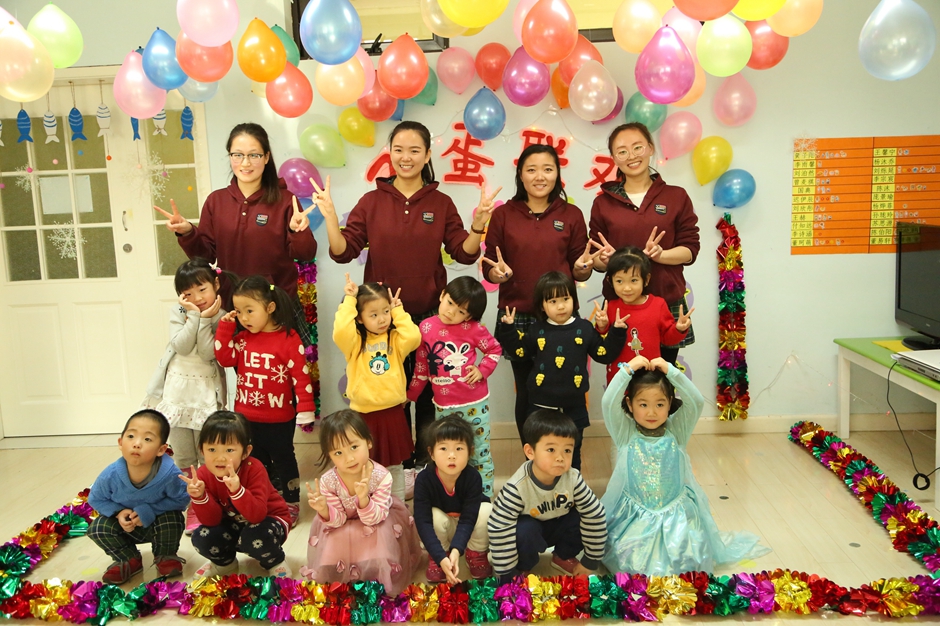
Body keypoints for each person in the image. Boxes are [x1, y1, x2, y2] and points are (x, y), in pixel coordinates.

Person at [310, 121, 500, 462]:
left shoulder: (441, 203)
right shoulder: (372, 201)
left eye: (414, 150)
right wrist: (330, 215)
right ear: (390, 153)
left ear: (427, 155)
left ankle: (428, 465)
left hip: (432, 319)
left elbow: (463, 252)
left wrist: (478, 224)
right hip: (381, 323)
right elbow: (343, 251)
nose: (406, 157)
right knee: (391, 395)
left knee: (428, 393)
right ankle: (396, 467)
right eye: (398, 150)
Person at [601, 356, 770, 575]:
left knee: (689, 563)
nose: (652, 412)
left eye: (660, 404)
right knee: (631, 565)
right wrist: (627, 370)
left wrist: (671, 371)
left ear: (670, 403)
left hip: (677, 517)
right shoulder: (625, 434)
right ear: (630, 405)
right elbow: (608, 403)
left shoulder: (677, 431)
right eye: (643, 404)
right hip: (636, 518)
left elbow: (696, 401)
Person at [154, 122, 318, 344]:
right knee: (239, 365)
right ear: (230, 156)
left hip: (275, 305)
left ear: (266, 157)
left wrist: (298, 231)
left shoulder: (286, 200)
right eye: (238, 155)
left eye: (254, 155)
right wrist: (188, 232)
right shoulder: (216, 201)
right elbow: (205, 256)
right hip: (234, 306)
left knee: (284, 366)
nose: (245, 163)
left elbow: (306, 254)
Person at [482, 144, 600, 442]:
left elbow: (580, 268)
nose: (540, 176)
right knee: (527, 390)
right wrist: (497, 274)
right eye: (531, 169)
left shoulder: (571, 214)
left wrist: (584, 268)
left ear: (557, 174)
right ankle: (531, 454)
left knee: (567, 387)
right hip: (517, 315)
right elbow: (490, 266)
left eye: (548, 169)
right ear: (520, 175)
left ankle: (565, 455)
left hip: (561, 318)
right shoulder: (503, 214)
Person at [590, 122, 700, 365]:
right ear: (613, 158)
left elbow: (691, 249)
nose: (631, 156)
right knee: (622, 378)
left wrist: (661, 255)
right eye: (622, 151)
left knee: (662, 379)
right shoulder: (603, 203)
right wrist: (604, 260)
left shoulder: (676, 196)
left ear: (650, 148)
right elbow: (595, 258)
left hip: (666, 299)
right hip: (621, 305)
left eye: (637, 147)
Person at [498, 271, 627, 470]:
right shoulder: (537, 329)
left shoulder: (584, 328)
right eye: (553, 301)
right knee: (542, 453)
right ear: (542, 305)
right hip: (540, 406)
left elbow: (603, 354)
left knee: (572, 452)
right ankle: (542, 486)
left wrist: (616, 330)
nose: (560, 306)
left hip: (574, 405)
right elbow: (520, 352)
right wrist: (508, 329)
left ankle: (573, 487)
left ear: (574, 300)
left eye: (565, 299)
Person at [215, 275, 316, 527]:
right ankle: (261, 501)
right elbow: (225, 358)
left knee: (284, 460)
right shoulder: (243, 338)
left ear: (270, 307)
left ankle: (291, 502)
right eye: (239, 311)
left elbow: (301, 378)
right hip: (246, 418)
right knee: (254, 463)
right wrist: (226, 327)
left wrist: (305, 410)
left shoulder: (289, 339)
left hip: (279, 419)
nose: (244, 317)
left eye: (250, 310)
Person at [141, 257, 229, 535]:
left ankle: (210, 503)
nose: (197, 298)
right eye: (188, 293)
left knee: (207, 454)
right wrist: (193, 315)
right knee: (183, 456)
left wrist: (204, 320)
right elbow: (180, 345)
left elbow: (207, 352)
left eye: (202, 289)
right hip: (177, 395)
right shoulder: (179, 311)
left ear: (216, 284)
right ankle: (193, 505)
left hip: (206, 396)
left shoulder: (222, 315)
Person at [304, 410, 422, 595]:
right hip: (341, 521)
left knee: (379, 534)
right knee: (335, 536)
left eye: (354, 447)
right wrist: (324, 509)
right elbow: (338, 521)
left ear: (368, 442)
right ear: (329, 455)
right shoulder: (328, 481)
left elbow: (374, 519)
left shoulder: (381, 476)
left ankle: (375, 576)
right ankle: (342, 578)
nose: (349, 458)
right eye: (338, 452)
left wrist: (364, 498)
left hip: (375, 518)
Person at [407, 276, 501, 497]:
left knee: (478, 451)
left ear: (469, 316)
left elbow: (494, 350)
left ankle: (484, 498)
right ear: (442, 295)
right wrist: (411, 394)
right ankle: (452, 497)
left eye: (461, 311)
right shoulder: (426, 327)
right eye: (449, 303)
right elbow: (422, 366)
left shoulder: (474, 328)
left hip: (474, 404)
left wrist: (482, 370)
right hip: (443, 406)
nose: (451, 312)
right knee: (447, 455)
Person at [487, 409, 607, 580]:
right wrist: (507, 574)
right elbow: (499, 528)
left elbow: (595, 514)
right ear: (530, 452)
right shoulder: (516, 488)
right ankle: (522, 567)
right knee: (524, 530)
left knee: (582, 515)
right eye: (551, 449)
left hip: (557, 525)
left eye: (567, 450)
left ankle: (563, 555)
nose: (560, 458)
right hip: (530, 534)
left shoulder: (573, 478)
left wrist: (590, 561)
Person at [333, 274, 421, 501]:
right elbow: (340, 332)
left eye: (385, 311)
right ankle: (371, 505)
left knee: (395, 465)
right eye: (373, 314)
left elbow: (414, 337)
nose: (382, 319)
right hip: (363, 416)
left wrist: (398, 311)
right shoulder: (354, 342)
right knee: (366, 464)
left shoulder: (395, 338)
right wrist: (350, 301)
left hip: (393, 413)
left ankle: (398, 506)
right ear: (360, 318)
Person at [180, 411, 292, 579]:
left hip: (269, 521)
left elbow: (257, 515)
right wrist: (199, 497)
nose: (220, 458)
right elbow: (211, 521)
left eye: (229, 450)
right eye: (212, 449)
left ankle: (275, 561)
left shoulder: (254, 468)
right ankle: (224, 564)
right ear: (201, 450)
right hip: (233, 524)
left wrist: (238, 491)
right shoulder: (203, 475)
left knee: (255, 536)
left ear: (246, 452)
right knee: (201, 536)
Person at [87, 409, 189, 584]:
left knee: (173, 518)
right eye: (131, 436)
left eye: (147, 439)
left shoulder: (170, 473)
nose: (137, 444)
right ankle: (128, 559)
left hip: (158, 525)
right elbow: (96, 499)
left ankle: (165, 555)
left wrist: (148, 511)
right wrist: (118, 512)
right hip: (125, 527)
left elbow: (182, 499)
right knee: (98, 528)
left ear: (161, 449)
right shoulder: (110, 475)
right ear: (120, 442)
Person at [595, 247, 694, 384]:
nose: (627, 288)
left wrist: (679, 328)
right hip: (619, 377)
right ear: (610, 281)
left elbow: (668, 339)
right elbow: (603, 342)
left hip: (650, 378)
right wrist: (602, 325)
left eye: (634, 280)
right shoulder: (611, 306)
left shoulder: (658, 305)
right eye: (619, 281)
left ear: (646, 280)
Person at [413, 415, 493, 584]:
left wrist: (457, 550)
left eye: (459, 448)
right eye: (443, 448)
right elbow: (423, 522)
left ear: (470, 451)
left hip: (467, 528)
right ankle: (440, 556)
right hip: (444, 528)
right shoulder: (424, 479)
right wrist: (440, 556)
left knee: (487, 510)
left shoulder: (473, 477)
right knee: (432, 516)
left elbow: (469, 519)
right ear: (431, 453)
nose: (451, 455)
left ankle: (476, 553)